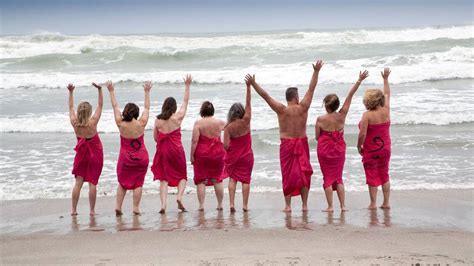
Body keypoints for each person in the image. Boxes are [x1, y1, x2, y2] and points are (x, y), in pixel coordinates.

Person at [245, 59, 323, 212]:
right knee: (304, 174)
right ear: (295, 98)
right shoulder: (303, 107)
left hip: (287, 144)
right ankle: (304, 205)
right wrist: (316, 71)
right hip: (301, 143)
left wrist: (253, 84)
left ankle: (287, 206)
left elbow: (266, 96)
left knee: (287, 174)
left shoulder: (281, 110)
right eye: (298, 96)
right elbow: (311, 89)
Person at [316, 70, 369, 212]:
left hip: (325, 151)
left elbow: (317, 136)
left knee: (327, 177)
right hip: (339, 149)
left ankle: (330, 206)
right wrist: (359, 80)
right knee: (338, 178)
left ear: (326, 106)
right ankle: (343, 206)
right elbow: (350, 95)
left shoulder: (320, 120)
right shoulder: (342, 115)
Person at [107, 80, 152, 216]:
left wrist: (111, 91)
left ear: (125, 112)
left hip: (125, 158)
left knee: (122, 183)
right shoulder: (141, 123)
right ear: (136, 113)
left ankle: (118, 206)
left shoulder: (120, 124)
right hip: (141, 157)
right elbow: (147, 108)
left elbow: (115, 106)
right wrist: (147, 92)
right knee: (138, 183)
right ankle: (135, 208)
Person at [151, 75, 192, 214]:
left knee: (164, 178)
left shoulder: (158, 120)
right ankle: (179, 197)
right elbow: (185, 102)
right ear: (174, 107)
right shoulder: (178, 117)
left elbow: (156, 138)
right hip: (177, 149)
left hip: (164, 151)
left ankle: (163, 205)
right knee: (182, 176)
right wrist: (187, 86)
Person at [357, 68, 392, 210]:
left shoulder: (367, 115)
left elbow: (363, 134)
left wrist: (359, 146)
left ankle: (373, 203)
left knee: (372, 175)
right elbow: (388, 93)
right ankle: (386, 202)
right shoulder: (386, 110)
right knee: (384, 173)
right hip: (385, 149)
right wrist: (385, 79)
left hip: (371, 150)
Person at [68, 82, 104, 216]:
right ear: (89, 112)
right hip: (95, 154)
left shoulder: (74, 123)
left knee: (78, 182)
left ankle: (74, 210)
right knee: (92, 182)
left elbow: (70, 107)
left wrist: (71, 92)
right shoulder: (93, 122)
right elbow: (100, 105)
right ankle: (92, 211)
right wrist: (100, 90)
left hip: (81, 154)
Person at [222, 78, 254, 212]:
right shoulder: (246, 121)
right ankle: (245, 206)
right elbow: (248, 102)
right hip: (247, 155)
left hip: (234, 156)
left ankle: (231, 204)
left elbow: (225, 146)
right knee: (246, 180)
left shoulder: (228, 127)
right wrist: (248, 87)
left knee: (233, 179)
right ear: (241, 112)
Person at [191, 101, 226, 211]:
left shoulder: (198, 123)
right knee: (217, 179)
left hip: (202, 154)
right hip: (217, 153)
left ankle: (201, 205)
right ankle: (220, 204)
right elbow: (232, 130)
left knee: (201, 180)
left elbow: (194, 140)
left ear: (202, 111)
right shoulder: (220, 123)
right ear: (213, 111)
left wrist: (192, 155)